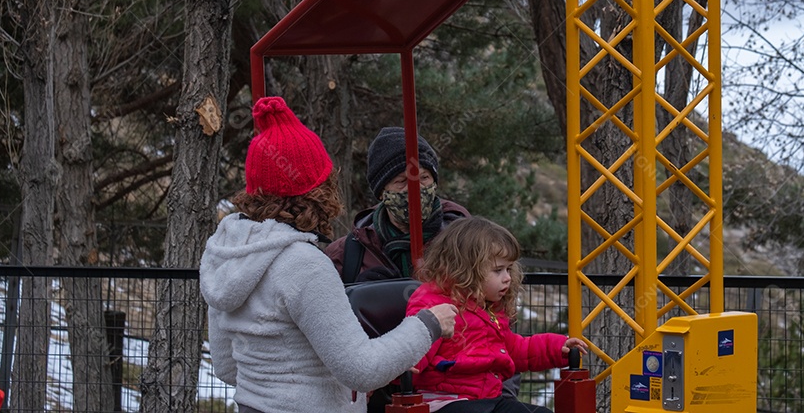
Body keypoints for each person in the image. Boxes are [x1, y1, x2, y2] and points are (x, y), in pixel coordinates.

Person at [200, 96, 458, 413]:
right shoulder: (304, 265)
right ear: (318, 190)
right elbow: (362, 370)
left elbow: (227, 368)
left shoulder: (228, 256)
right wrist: (428, 324)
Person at [406, 217, 588, 413]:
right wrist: (405, 364)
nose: (507, 277)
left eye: (509, 269)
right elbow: (414, 344)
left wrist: (556, 348)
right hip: (445, 401)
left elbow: (516, 349)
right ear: (466, 269)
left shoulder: (490, 309)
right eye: (498, 270)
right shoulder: (433, 303)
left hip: (488, 399)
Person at [325, 126, 469, 283]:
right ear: (381, 192)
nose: (416, 188)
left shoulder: (466, 239)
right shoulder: (347, 255)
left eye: (424, 177)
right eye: (401, 181)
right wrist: (361, 294)